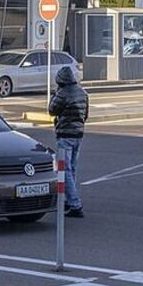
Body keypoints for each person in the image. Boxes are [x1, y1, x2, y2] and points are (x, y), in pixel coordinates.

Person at [48, 65, 88, 218]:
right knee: (72, 169)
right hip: (79, 134)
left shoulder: (63, 94)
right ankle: (68, 199)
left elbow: (51, 110)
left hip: (65, 135)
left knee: (64, 170)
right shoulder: (82, 92)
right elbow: (85, 115)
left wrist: (54, 94)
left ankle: (75, 204)